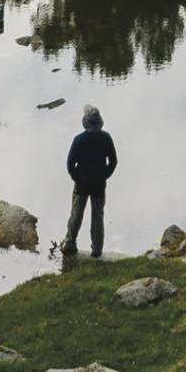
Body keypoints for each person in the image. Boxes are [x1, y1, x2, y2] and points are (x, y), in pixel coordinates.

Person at [61, 104, 117, 258]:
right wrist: (105, 175)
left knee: (76, 214)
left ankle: (70, 243)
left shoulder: (79, 139)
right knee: (97, 216)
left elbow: (70, 164)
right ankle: (97, 249)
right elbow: (113, 161)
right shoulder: (106, 138)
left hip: (82, 184)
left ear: (85, 121)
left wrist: (76, 177)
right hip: (99, 184)